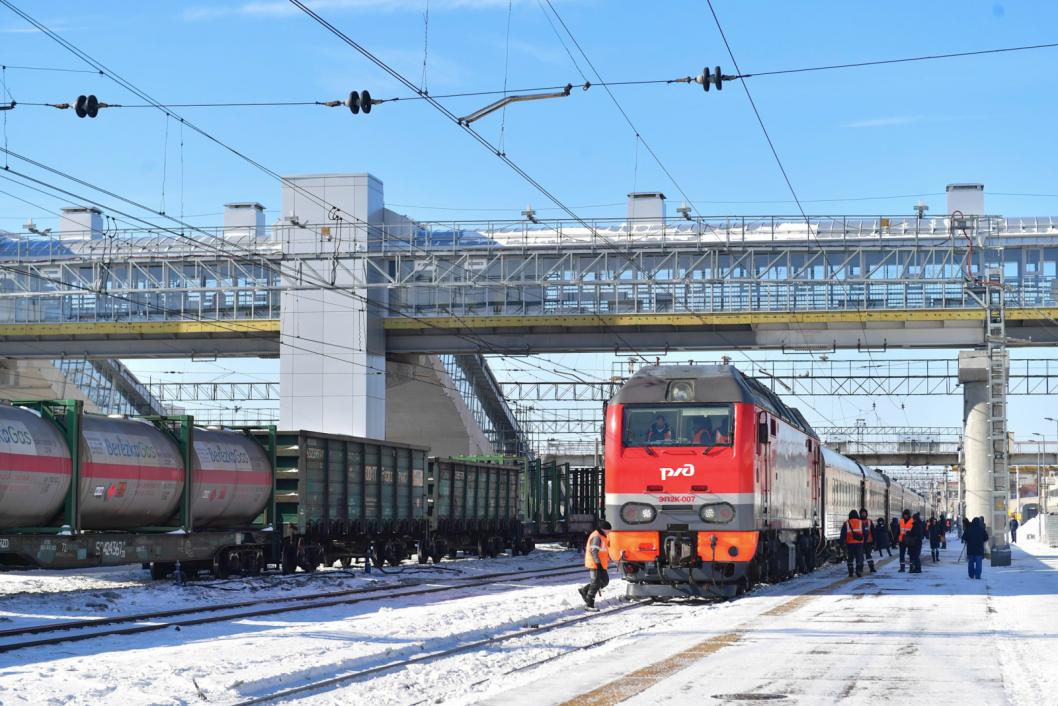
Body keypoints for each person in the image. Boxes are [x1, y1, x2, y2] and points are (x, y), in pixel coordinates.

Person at [579, 520, 611, 610]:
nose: (609, 532)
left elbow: (604, 550)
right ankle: (589, 605)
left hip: (601, 564)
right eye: (608, 530)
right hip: (595, 563)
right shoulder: (597, 537)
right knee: (595, 584)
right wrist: (597, 563)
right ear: (603, 529)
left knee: (605, 581)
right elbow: (594, 551)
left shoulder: (603, 536)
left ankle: (585, 590)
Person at [840, 510, 866, 577]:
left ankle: (850, 572)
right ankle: (858, 570)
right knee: (859, 557)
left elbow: (843, 534)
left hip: (850, 543)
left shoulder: (847, 523)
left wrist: (842, 543)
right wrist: (864, 541)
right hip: (859, 543)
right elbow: (865, 533)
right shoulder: (860, 522)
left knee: (850, 558)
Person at [858, 509, 877, 573]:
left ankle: (871, 567)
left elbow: (873, 531)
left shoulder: (869, 521)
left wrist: (874, 541)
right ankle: (860, 568)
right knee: (860, 556)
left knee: (868, 555)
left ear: (866, 514)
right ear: (860, 514)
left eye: (864, 513)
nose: (863, 514)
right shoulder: (858, 522)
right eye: (862, 513)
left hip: (868, 541)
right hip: (860, 542)